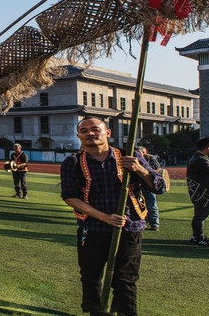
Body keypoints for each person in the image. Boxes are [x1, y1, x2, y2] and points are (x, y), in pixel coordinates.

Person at [60, 117, 165, 316]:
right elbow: (70, 197)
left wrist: (139, 169)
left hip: (129, 229)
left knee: (125, 279)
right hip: (92, 229)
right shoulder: (72, 162)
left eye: (95, 129)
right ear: (79, 136)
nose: (90, 133)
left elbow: (159, 187)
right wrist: (104, 217)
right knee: (91, 278)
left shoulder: (130, 156)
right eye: (84, 131)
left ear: (107, 133)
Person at [186, 137, 209, 246]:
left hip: (199, 190)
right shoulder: (201, 159)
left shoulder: (198, 158)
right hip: (203, 191)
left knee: (199, 214)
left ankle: (197, 236)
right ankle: (199, 238)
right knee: (200, 216)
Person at [135, 146, 161, 231]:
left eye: (139, 152)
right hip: (138, 186)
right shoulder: (134, 159)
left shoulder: (151, 159)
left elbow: (157, 171)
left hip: (149, 186)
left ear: (144, 153)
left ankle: (154, 223)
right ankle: (143, 221)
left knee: (152, 205)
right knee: (139, 205)